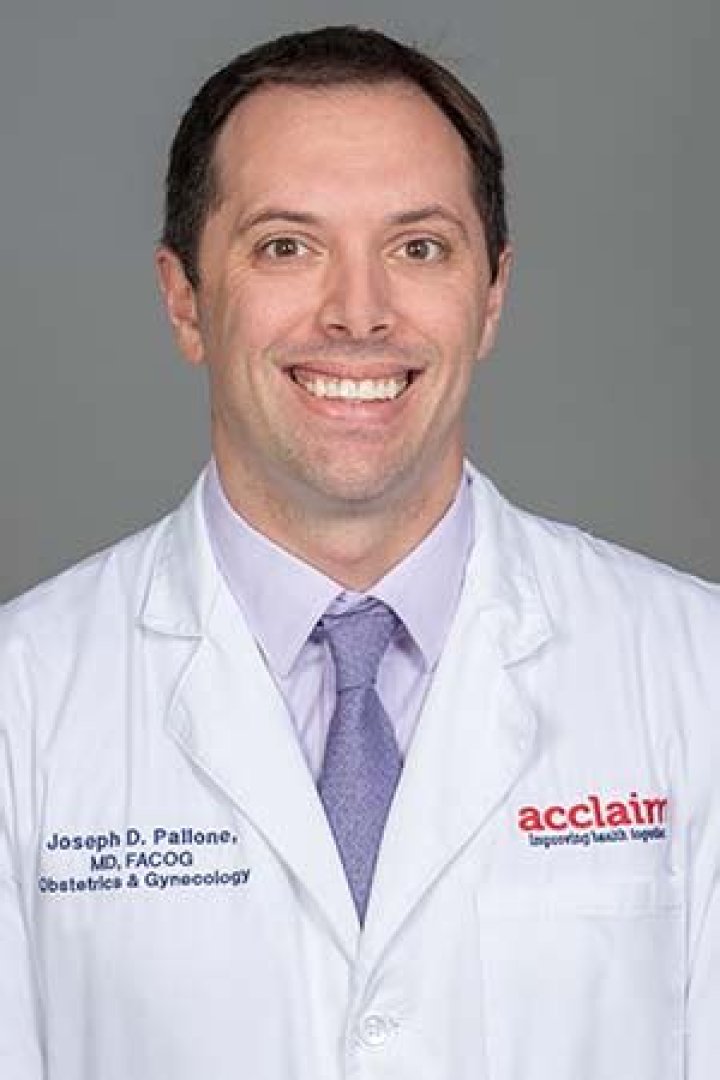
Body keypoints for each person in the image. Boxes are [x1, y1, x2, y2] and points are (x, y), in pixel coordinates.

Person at [0, 24, 718, 1080]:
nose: (359, 313)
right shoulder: (21, 705)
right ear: (184, 298)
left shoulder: (696, 674)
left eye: (418, 248)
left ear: (492, 295)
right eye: (286, 246)